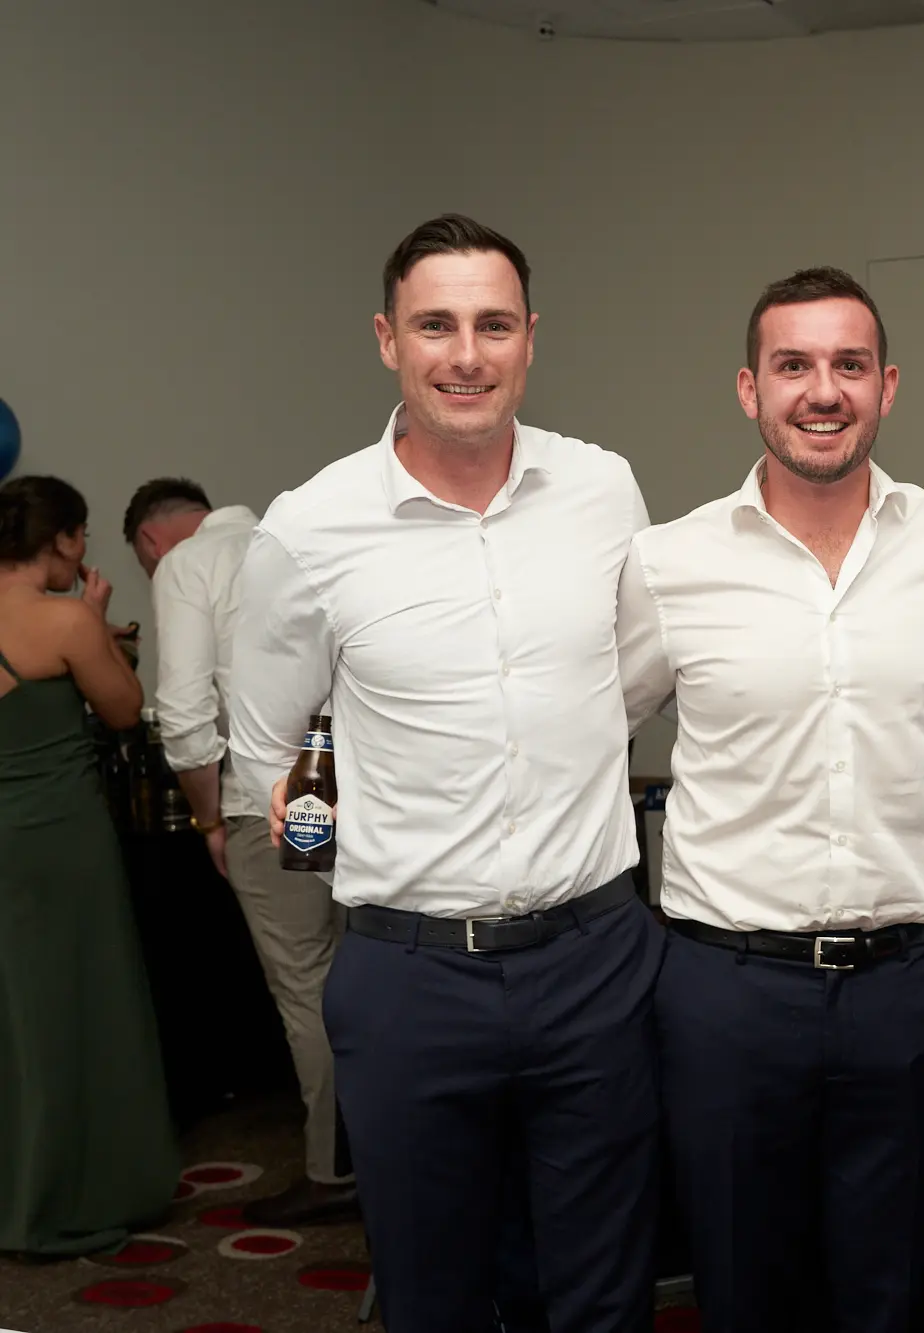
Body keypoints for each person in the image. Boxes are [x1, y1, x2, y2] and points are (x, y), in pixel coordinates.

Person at [227, 215, 663, 1333]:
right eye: (435, 325)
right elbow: (272, 747)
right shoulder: (310, 528)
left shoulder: (602, 489)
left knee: (603, 1294)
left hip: (594, 960)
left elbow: (628, 678)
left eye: (492, 325)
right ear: (387, 339)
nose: (465, 354)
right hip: (411, 976)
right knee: (432, 1295)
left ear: (530, 341)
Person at [618, 267, 924, 1333]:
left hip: (911, 990)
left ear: (887, 387)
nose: (820, 390)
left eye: (847, 366)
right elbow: (580, 728)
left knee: (901, 1290)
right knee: (744, 1290)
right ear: (749, 389)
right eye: (792, 366)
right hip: (727, 993)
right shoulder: (670, 562)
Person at [123, 476, 356, 1228]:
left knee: (308, 984)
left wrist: (208, 821)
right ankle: (398, 1155)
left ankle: (334, 1169)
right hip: (355, 791)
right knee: (369, 976)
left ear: (152, 543)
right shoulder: (303, 537)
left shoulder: (188, 565)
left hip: (266, 798)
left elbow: (187, 714)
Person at [0, 475, 181, 1256]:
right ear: (64, 539)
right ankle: (76, 1190)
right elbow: (123, 708)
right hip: (63, 836)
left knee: (17, 1014)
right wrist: (97, 626)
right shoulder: (66, 618)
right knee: (83, 1003)